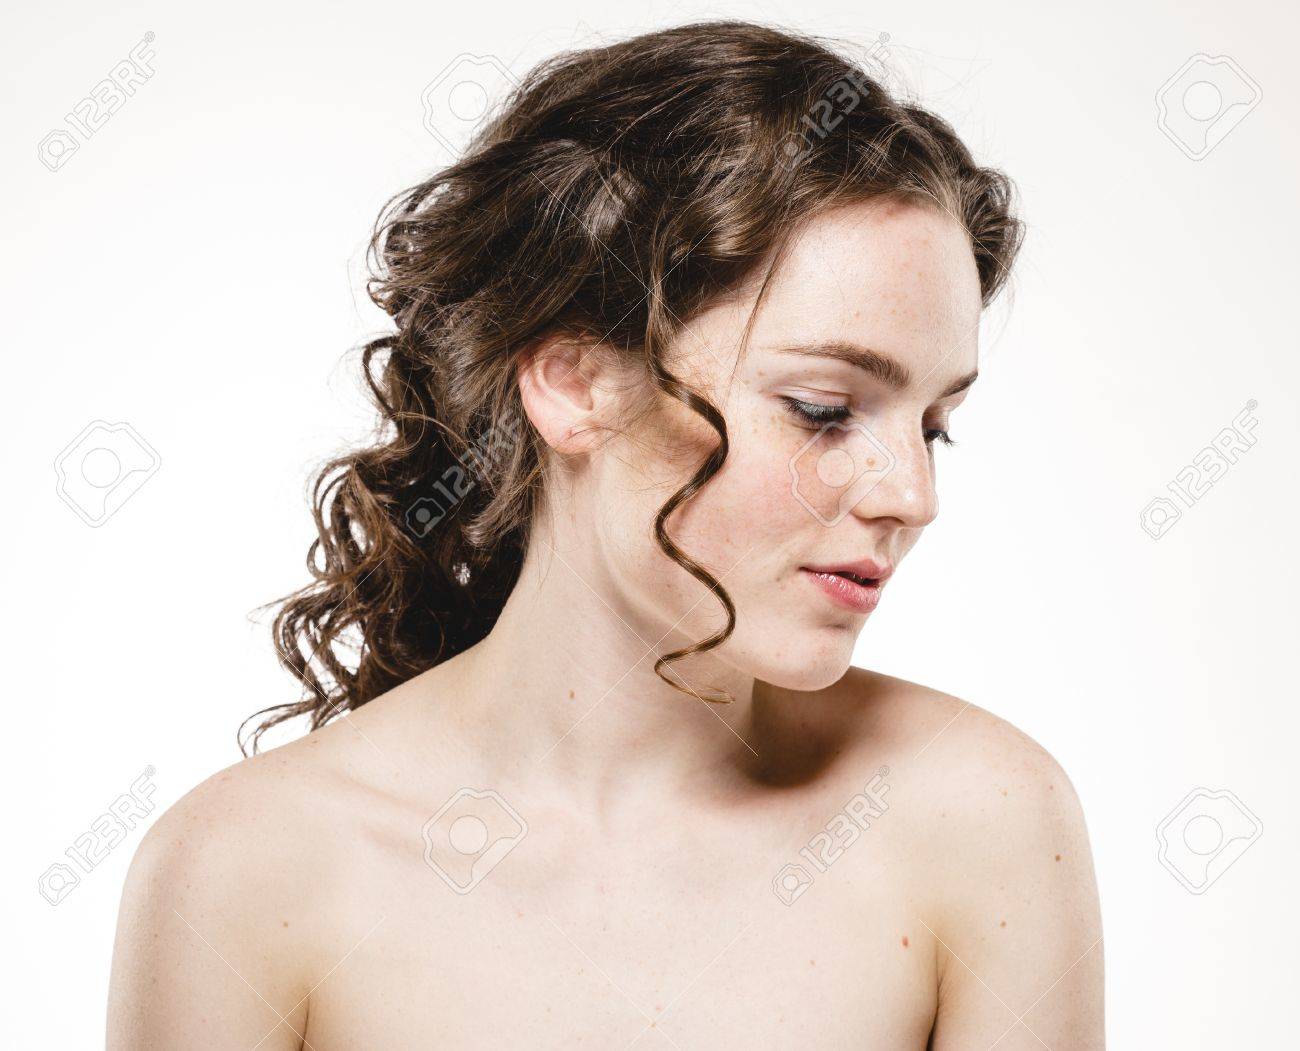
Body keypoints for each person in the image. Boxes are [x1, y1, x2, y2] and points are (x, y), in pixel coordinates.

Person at [108, 19, 1103, 1049]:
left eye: (933, 425)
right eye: (822, 408)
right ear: (574, 383)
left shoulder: (978, 821)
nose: (912, 496)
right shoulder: (246, 874)